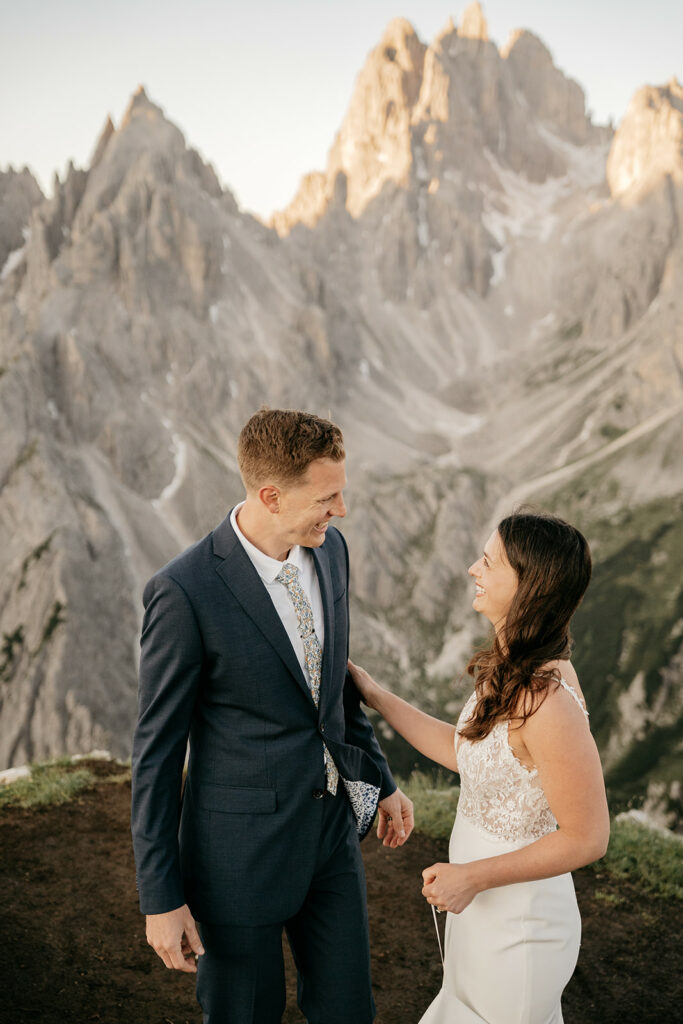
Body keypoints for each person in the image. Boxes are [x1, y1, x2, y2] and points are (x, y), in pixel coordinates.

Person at [131, 408, 414, 1024]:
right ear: (270, 495)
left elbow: (331, 690)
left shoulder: (330, 551)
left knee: (350, 1012)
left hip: (332, 839)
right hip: (238, 857)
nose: (342, 511)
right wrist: (161, 897)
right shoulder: (183, 593)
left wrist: (381, 780)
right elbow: (155, 755)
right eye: (328, 497)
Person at [348, 510, 610, 1024]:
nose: (473, 568)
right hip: (480, 909)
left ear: (529, 586)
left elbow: (588, 837)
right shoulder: (512, 667)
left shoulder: (547, 700)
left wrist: (473, 878)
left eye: (488, 562)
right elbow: (466, 752)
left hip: (521, 925)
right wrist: (377, 697)